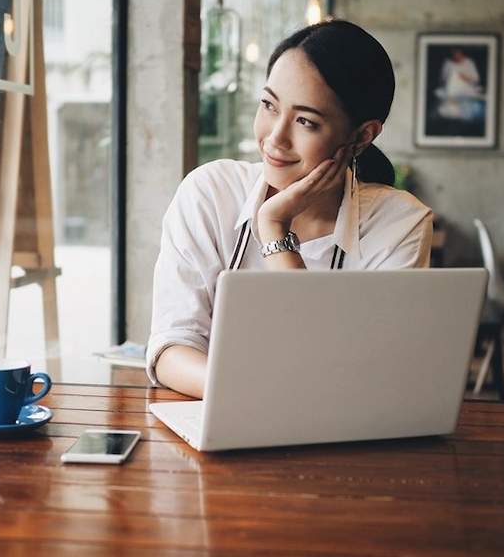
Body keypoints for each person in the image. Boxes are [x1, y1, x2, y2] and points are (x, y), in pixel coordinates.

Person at [147, 20, 433, 398]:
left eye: (305, 121)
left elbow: (356, 380)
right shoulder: (210, 193)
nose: (275, 138)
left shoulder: (398, 225)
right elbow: (172, 347)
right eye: (268, 105)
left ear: (362, 136)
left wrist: (275, 229)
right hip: (219, 424)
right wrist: (260, 392)